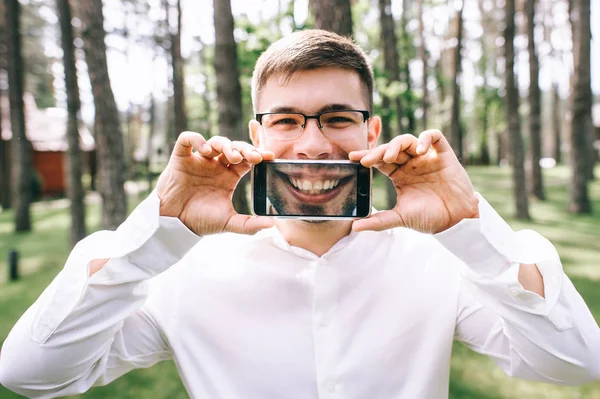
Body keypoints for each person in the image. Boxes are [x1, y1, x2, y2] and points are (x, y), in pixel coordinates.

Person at [0, 29, 599, 399]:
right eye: (286, 120)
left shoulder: (440, 262)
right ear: (255, 134)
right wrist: (156, 231)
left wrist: (472, 228)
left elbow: (575, 366)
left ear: (373, 130)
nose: (312, 144)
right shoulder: (177, 274)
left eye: (337, 118)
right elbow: (31, 373)